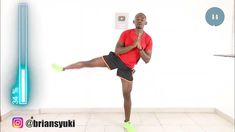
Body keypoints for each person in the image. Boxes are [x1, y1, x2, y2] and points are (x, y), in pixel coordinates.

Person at [62, 13, 152, 132]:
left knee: (127, 95)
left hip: (127, 67)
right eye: (137, 19)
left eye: (142, 19)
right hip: (116, 58)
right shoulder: (126, 33)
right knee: (89, 63)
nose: (140, 21)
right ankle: (63, 68)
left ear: (146, 23)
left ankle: (127, 122)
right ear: (134, 22)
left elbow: (147, 59)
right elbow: (118, 50)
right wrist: (133, 45)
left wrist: (139, 48)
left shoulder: (148, 39)